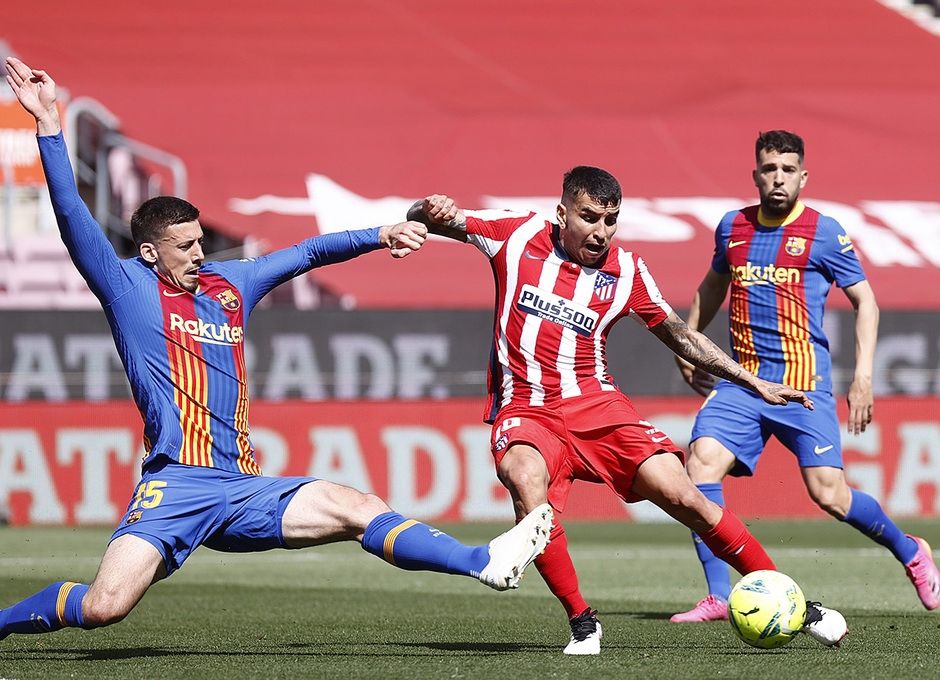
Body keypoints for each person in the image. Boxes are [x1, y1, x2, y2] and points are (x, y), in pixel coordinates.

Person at [0, 57, 554, 643]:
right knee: (104, 606)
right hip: (177, 486)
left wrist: (380, 234)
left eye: (200, 242)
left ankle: (482, 562)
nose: (199, 255)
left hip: (243, 488)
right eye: (185, 247)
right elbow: (71, 213)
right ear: (149, 253)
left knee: (358, 505)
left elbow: (308, 253)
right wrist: (49, 122)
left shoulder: (231, 284)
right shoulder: (125, 287)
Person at [406, 168, 816, 655]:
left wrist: (753, 382)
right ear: (562, 214)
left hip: (597, 406)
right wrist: (427, 209)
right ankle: (583, 621)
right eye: (589, 217)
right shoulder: (514, 233)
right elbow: (424, 219)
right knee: (524, 479)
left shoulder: (627, 271)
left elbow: (683, 337)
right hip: (527, 408)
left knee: (684, 495)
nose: (601, 232)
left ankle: (798, 604)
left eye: (611, 220)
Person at [670, 130, 940, 623]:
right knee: (700, 466)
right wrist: (689, 340)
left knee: (829, 495)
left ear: (803, 176)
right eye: (770, 169)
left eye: (788, 170)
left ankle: (911, 551)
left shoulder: (823, 232)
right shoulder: (732, 227)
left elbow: (866, 301)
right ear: (756, 174)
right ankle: (718, 596)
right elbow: (712, 286)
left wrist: (863, 377)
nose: (778, 178)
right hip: (743, 381)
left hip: (803, 386)